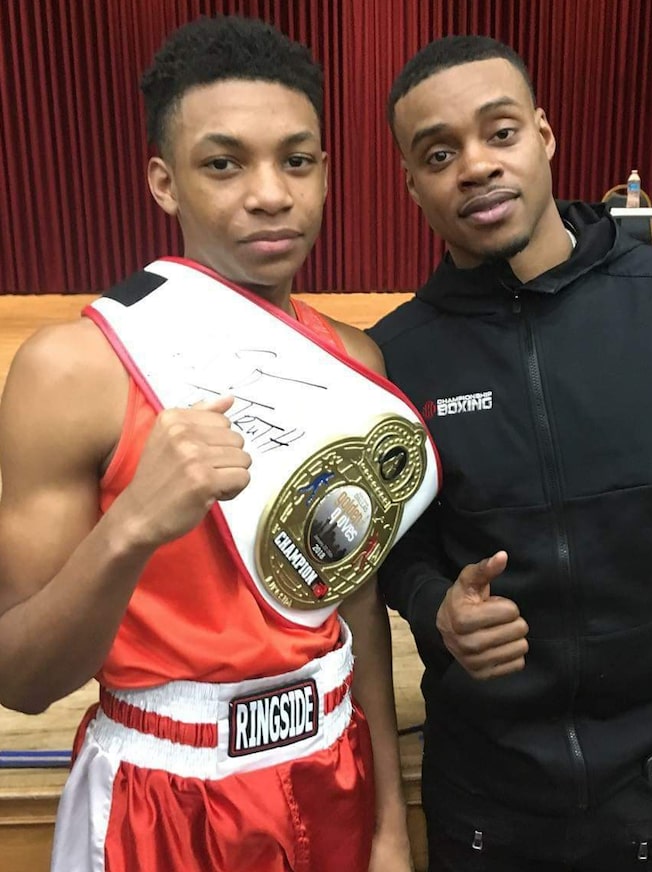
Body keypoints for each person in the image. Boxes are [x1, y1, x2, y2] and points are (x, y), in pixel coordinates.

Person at [0, 16, 431, 872]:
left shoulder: (357, 361)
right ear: (164, 182)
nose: (270, 193)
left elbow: (354, 606)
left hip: (331, 769)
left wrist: (387, 826)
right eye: (224, 163)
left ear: (324, 173)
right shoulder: (71, 371)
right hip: (160, 796)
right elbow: (22, 681)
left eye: (297, 160)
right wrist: (129, 529)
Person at [369, 35, 652, 872]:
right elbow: (392, 551)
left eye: (500, 133)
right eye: (439, 152)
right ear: (412, 185)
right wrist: (433, 605)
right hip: (483, 808)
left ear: (545, 135)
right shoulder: (394, 359)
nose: (477, 167)